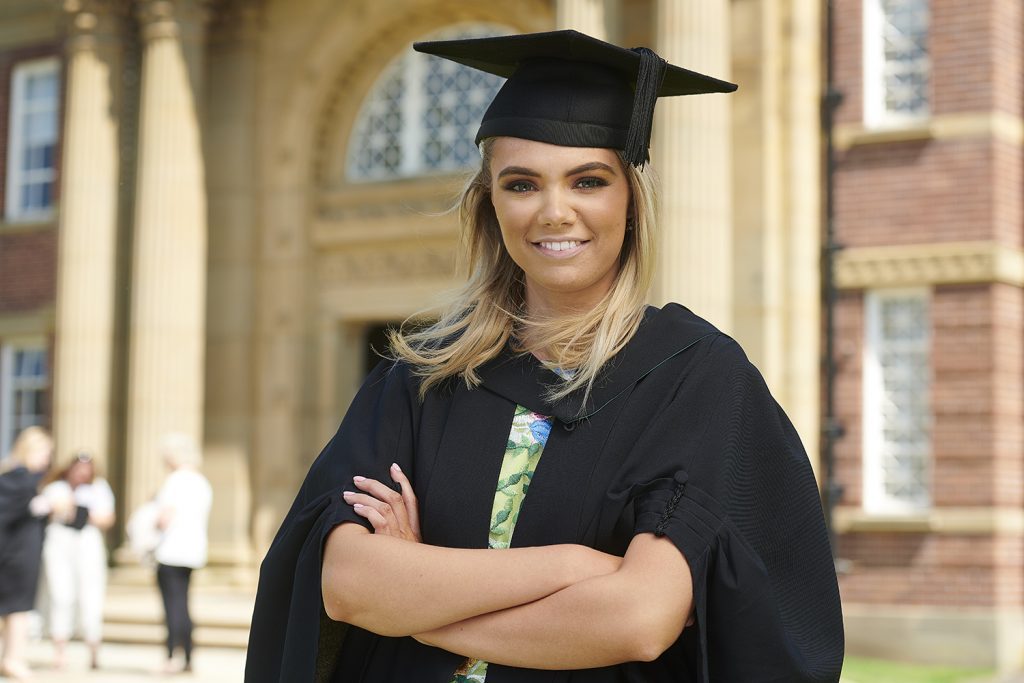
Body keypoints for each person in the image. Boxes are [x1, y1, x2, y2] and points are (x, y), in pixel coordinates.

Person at [246, 30, 844, 682]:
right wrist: (572, 567)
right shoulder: (423, 378)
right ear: (489, 204)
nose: (555, 212)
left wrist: (415, 600)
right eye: (522, 184)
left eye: (588, 180)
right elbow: (347, 584)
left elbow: (637, 620)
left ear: (630, 199)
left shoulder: (695, 379)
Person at [41, 451, 115, 671]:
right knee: (61, 594)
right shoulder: (56, 488)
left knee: (90, 595)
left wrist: (85, 513)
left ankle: (93, 649)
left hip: (87, 542)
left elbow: (107, 518)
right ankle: (60, 650)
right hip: (60, 541)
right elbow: (44, 509)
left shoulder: (98, 488)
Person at [153, 433, 212, 674]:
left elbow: (163, 519)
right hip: (193, 550)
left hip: (170, 550)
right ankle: (187, 656)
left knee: (172, 606)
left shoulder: (174, 481)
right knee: (184, 604)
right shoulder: (202, 482)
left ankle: (171, 656)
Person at [0, 427, 54, 681]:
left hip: (17, 554)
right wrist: (39, 506)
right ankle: (13, 659)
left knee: (14, 610)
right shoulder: (19, 479)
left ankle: (11, 658)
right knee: (18, 609)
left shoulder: (17, 479)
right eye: (44, 451)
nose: (47, 458)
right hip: (15, 556)